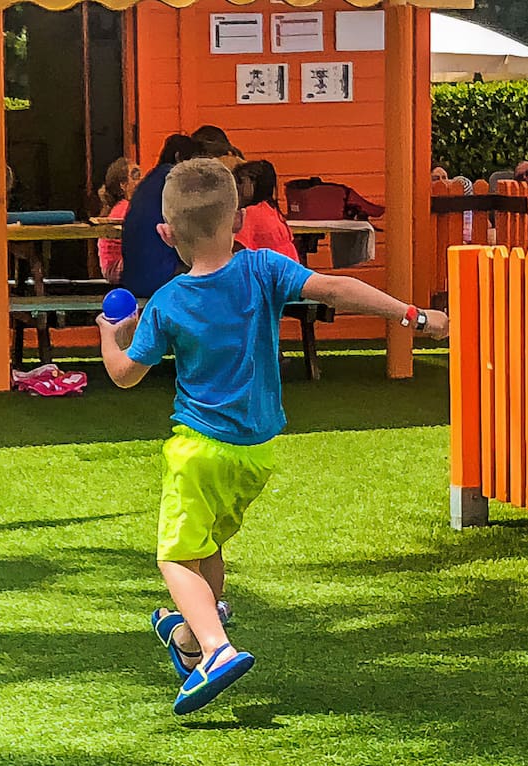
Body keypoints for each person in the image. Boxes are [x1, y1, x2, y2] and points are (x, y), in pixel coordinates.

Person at [95, 159, 451, 715]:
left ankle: (215, 649)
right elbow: (336, 288)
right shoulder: (263, 269)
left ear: (165, 234)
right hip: (256, 455)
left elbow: (124, 376)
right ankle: (189, 634)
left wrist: (109, 336)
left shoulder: (166, 301)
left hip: (198, 452)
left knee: (175, 559)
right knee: (207, 545)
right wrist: (413, 315)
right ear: (238, 220)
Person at [121, 132, 197, 299]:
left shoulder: (150, 180)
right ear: (179, 157)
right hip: (159, 276)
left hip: (133, 278)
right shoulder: (174, 180)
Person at [233, 160, 299, 261]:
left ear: (254, 183)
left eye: (240, 181)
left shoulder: (250, 213)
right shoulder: (270, 208)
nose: (236, 186)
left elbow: (237, 249)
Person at [98, 155, 142, 283]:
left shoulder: (126, 206)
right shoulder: (124, 208)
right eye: (135, 176)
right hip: (117, 268)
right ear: (123, 184)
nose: (141, 180)